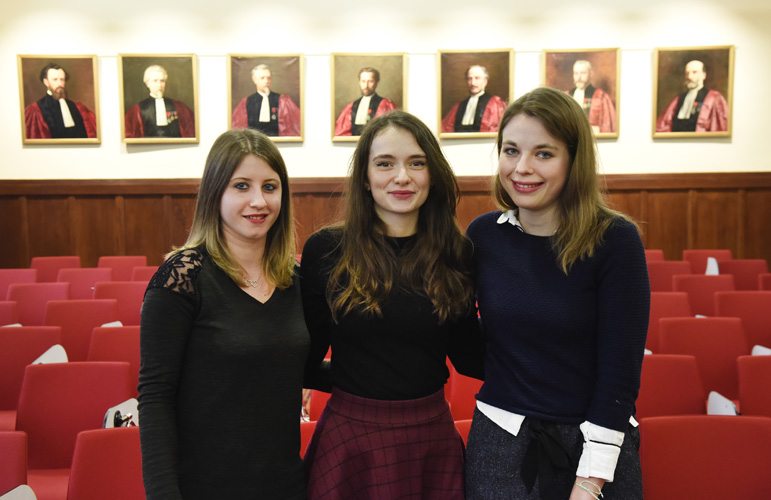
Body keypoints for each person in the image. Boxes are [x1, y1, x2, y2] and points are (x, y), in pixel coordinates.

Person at [464, 87, 649, 500]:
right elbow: (467, 343)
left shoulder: (615, 239)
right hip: (500, 441)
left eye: (543, 154)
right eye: (511, 151)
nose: (522, 168)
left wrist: (590, 481)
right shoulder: (484, 236)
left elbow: (620, 373)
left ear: (573, 161)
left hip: (594, 443)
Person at [301, 110, 484, 499]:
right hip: (351, 436)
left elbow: (469, 355)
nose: (402, 177)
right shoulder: (327, 250)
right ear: (365, 178)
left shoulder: (457, 252)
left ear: (432, 174)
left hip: (430, 435)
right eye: (385, 164)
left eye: (416, 163)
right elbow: (305, 354)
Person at [138, 128, 308, 500]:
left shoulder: (296, 279)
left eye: (270, 187)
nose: (259, 201)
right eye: (241, 186)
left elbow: (297, 367)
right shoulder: (181, 278)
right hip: (204, 487)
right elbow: (155, 397)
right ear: (215, 192)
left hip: (285, 485)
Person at [24, 63, 97, 139]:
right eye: (55, 79)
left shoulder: (78, 107)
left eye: (62, 79)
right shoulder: (35, 110)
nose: (60, 84)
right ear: (46, 82)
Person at [656, 59, 729, 133]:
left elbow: (720, 128)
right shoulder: (678, 100)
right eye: (687, 73)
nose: (689, 77)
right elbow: (663, 125)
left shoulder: (714, 98)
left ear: (703, 75)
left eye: (694, 72)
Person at [125, 65, 195, 138]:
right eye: (155, 81)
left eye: (162, 81)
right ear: (147, 84)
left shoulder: (179, 107)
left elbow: (191, 131)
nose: (159, 85)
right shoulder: (137, 110)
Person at [232, 64, 301, 137]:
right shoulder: (246, 102)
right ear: (254, 80)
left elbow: (294, 128)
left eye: (269, 78)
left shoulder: (282, 101)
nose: (266, 81)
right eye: (262, 78)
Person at [441, 64, 506, 133]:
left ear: (485, 82)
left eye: (477, 78)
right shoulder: (459, 106)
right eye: (469, 79)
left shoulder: (495, 103)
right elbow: (444, 129)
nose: (473, 83)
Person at [334, 67, 397, 136]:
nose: (366, 86)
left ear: (376, 83)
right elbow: (341, 133)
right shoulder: (351, 106)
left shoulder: (385, 104)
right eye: (363, 81)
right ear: (359, 82)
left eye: (370, 81)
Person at [567, 60, 617, 134]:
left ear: (591, 74)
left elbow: (607, 126)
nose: (579, 77)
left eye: (583, 73)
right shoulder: (567, 96)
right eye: (576, 73)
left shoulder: (600, 96)